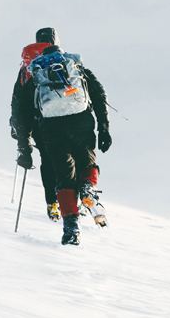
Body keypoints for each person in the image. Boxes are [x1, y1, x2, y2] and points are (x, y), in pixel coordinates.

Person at [14, 39, 112, 246]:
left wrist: (25, 146)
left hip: (51, 129)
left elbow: (22, 114)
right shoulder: (77, 69)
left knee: (64, 177)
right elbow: (99, 95)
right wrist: (104, 128)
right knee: (87, 164)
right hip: (81, 122)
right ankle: (87, 187)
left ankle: (71, 226)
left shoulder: (35, 76)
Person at [10, 27, 61, 222]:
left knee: (47, 160)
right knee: (64, 159)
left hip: (33, 120)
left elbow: (17, 98)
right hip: (55, 117)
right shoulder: (58, 60)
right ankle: (70, 201)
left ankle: (52, 203)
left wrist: (16, 124)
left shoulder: (26, 65)